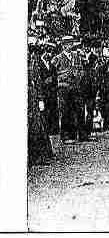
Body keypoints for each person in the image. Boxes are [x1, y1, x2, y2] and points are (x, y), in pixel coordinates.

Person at [51, 35, 85, 144]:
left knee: (78, 110)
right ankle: (65, 136)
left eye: (70, 44)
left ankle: (81, 135)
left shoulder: (77, 57)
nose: (68, 46)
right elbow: (53, 74)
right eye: (66, 44)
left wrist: (78, 77)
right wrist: (65, 75)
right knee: (65, 111)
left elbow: (81, 70)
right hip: (63, 88)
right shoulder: (57, 58)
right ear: (63, 46)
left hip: (75, 87)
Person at [28, 37, 55, 166]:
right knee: (36, 126)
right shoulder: (33, 62)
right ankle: (37, 156)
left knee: (39, 125)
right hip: (33, 97)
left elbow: (37, 81)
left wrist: (40, 98)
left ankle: (40, 155)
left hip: (34, 97)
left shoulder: (34, 61)